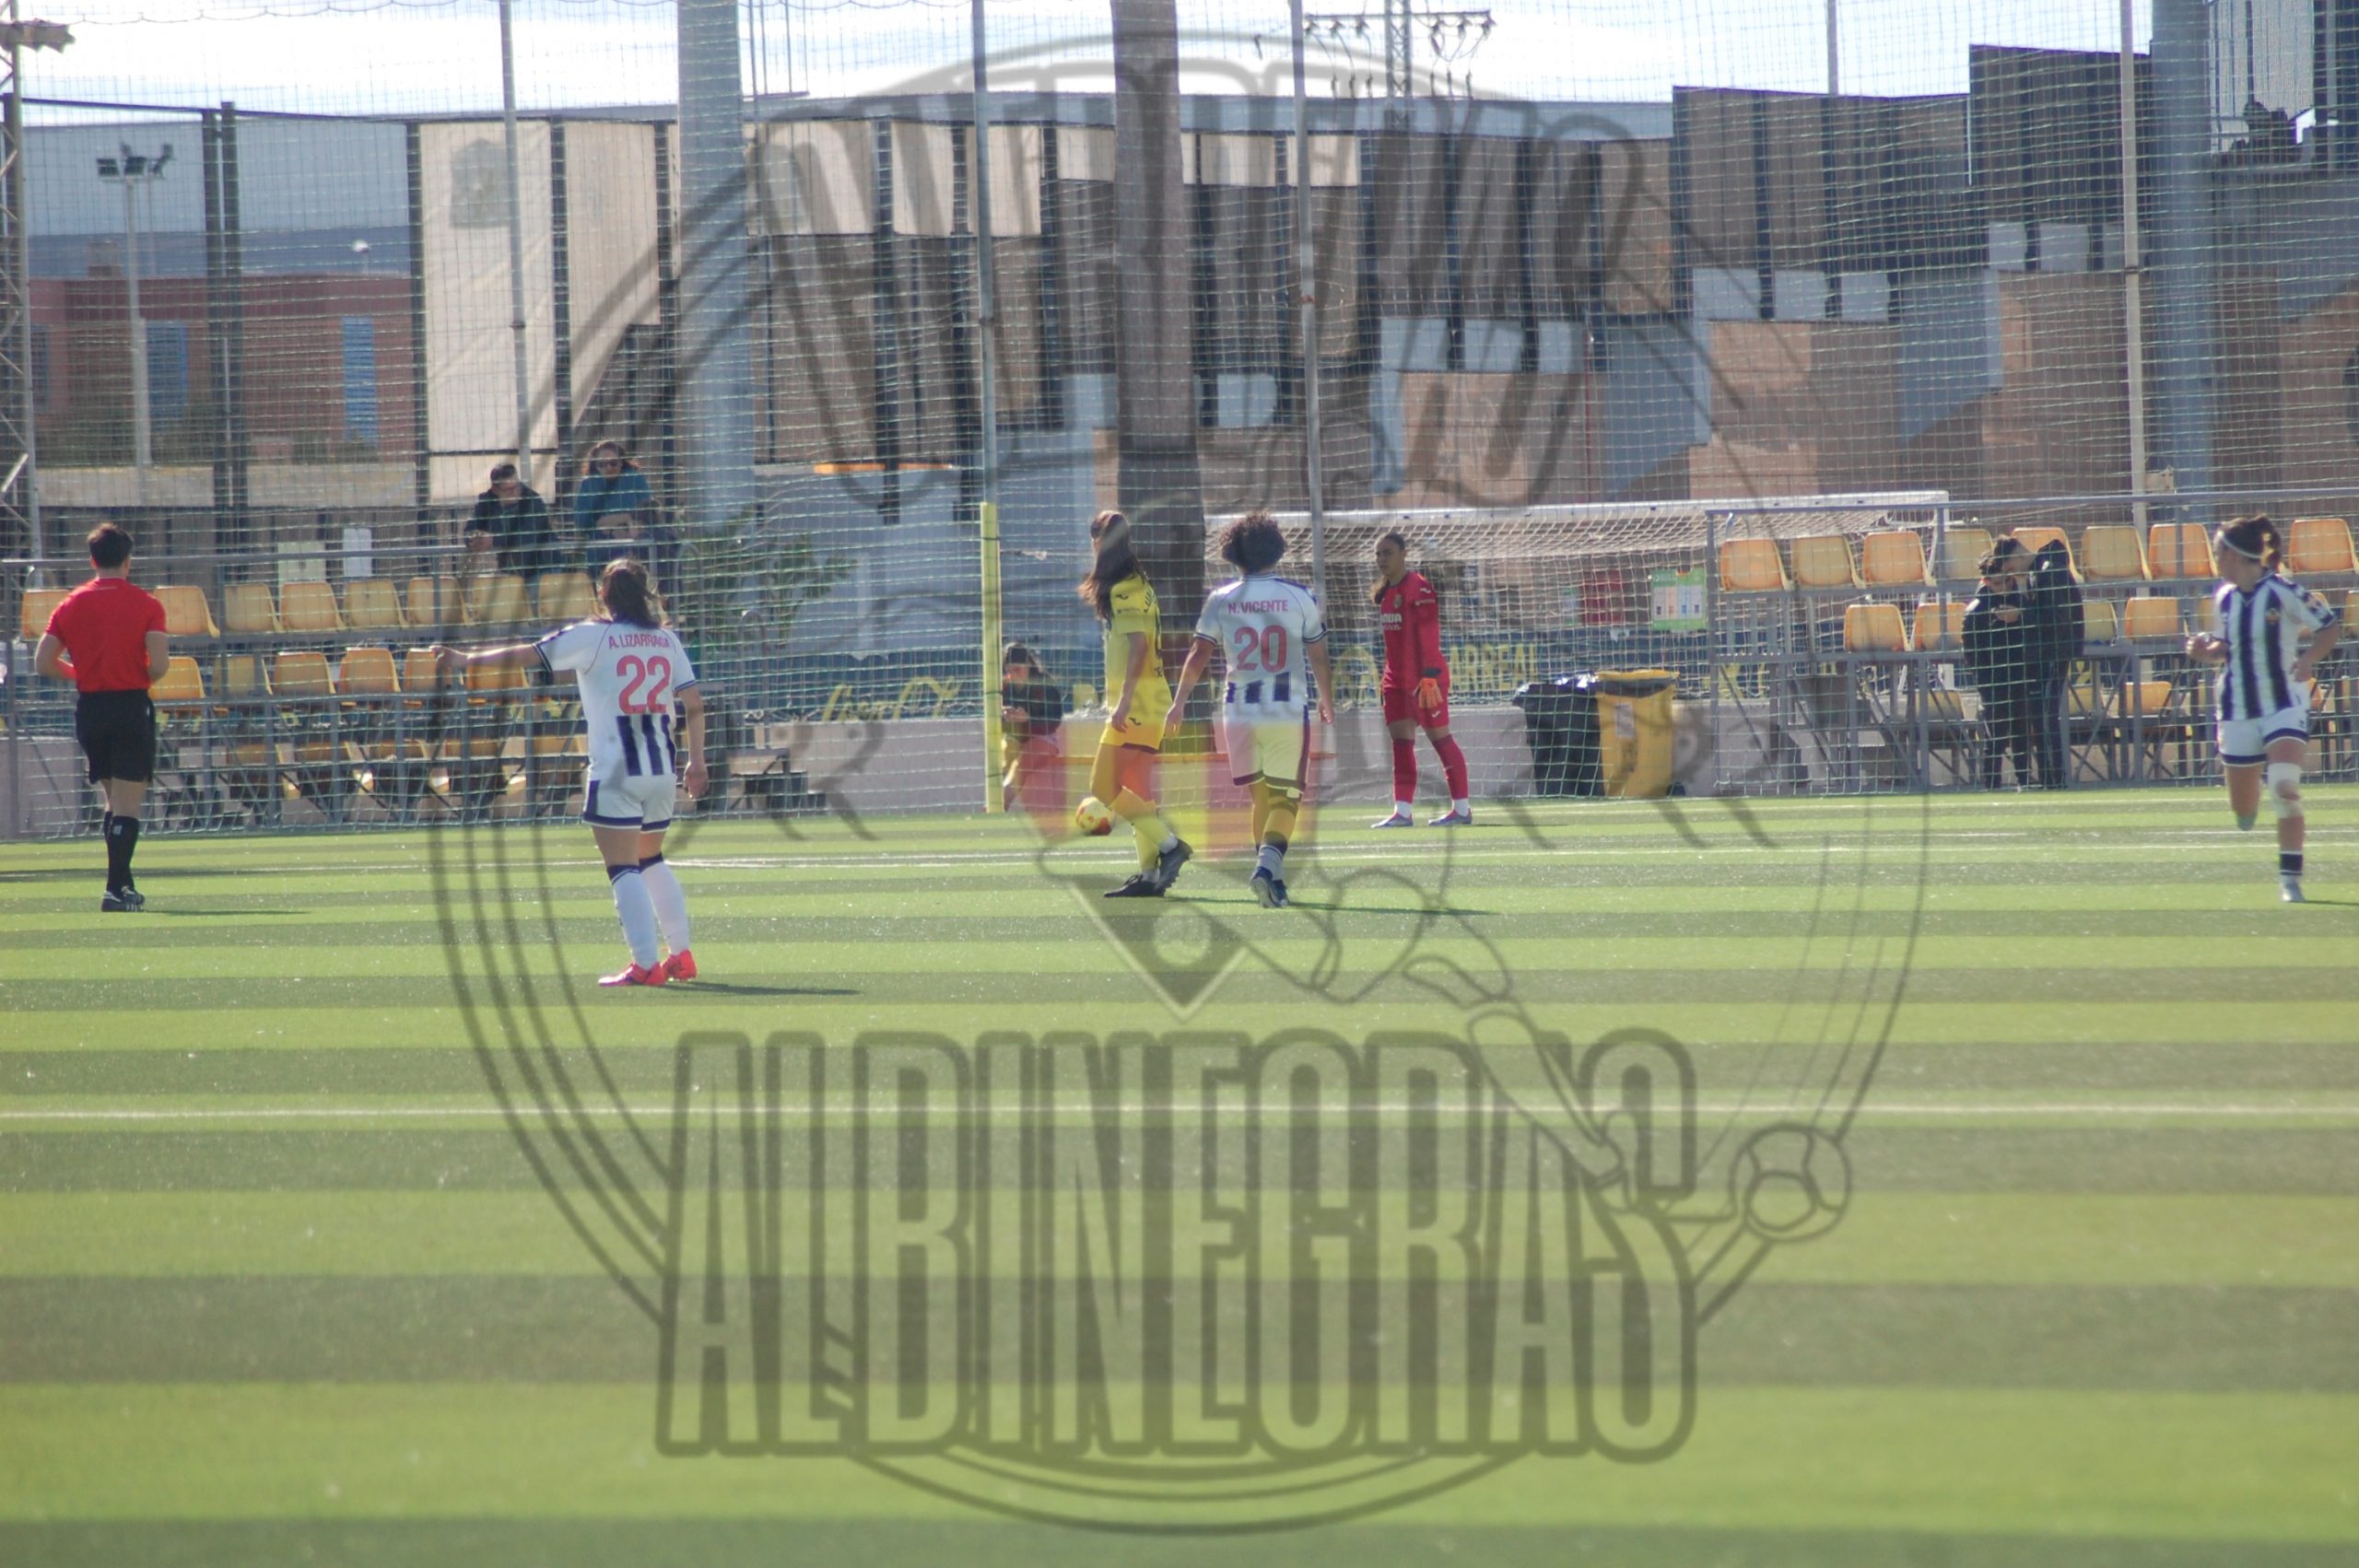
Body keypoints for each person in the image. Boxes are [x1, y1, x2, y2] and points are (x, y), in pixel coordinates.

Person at [431, 558, 709, 984]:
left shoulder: (593, 636)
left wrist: (466, 659)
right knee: (651, 859)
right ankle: (681, 954)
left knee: (623, 868)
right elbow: (694, 704)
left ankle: (645, 965)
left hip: (616, 771)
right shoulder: (666, 640)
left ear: (603, 594)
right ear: (646, 593)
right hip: (660, 769)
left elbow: (527, 654)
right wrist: (697, 761)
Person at [1166, 510, 1334, 908]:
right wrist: (1326, 697)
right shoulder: (1299, 596)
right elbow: (1318, 653)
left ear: (1233, 555)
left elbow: (1198, 654)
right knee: (1286, 799)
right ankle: (1265, 869)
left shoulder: (1220, 599)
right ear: (1276, 550)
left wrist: (1179, 703)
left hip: (1238, 712)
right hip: (1284, 709)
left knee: (1261, 800)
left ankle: (1274, 882)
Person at [2184, 514, 2341, 902]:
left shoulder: (2284, 591)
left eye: (2218, 552)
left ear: (2236, 555)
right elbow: (2225, 648)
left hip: (2283, 703)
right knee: (2243, 813)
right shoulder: (2223, 597)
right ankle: (2247, 793)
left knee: (2284, 788)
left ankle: (2290, 880)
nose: (2215, 559)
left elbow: (2329, 626)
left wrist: (2308, 660)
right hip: (2236, 707)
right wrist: (2204, 652)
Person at [33, 521, 169, 911]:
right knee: (127, 804)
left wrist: (81, 673)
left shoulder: (70, 603)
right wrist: (136, 675)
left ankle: (124, 886)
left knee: (113, 799)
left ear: (93, 560)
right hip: (129, 705)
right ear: (128, 561)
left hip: (91, 709)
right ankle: (113, 889)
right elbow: (159, 665)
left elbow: (43, 663)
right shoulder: (147, 604)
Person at [1078, 509, 1191, 898]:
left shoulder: (1123, 588)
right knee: (1139, 792)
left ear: (1098, 542)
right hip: (1154, 701)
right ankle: (1148, 876)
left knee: (1102, 785)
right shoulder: (1139, 581)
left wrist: (1123, 702)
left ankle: (1171, 847)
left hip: (1138, 704)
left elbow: (1139, 647)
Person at [1367, 531, 1471, 825]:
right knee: (1401, 745)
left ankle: (1462, 809)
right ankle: (1402, 812)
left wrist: (1429, 676)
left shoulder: (1419, 587)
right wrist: (1386, 680)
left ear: (1404, 554)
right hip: (1395, 682)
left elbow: (1428, 636)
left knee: (1441, 740)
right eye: (1378, 554)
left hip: (1425, 681)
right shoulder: (1386, 593)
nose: (1381, 559)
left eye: (1387, 553)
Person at [1963, 539, 2036, 789]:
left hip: (2020, 676)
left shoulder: (2023, 602)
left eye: (2007, 581)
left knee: (2022, 735)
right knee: (1995, 737)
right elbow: (1972, 655)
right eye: (1997, 583)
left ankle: (2024, 781)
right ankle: (1992, 785)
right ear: (1986, 582)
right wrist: (1985, 684)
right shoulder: (1976, 612)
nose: (2004, 588)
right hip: (1993, 681)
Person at [2025, 534, 2083, 789]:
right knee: (2046, 717)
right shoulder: (2055, 571)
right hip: (2057, 652)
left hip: (2050, 653)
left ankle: (2052, 778)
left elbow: (2055, 617)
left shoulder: (2048, 572)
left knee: (2045, 717)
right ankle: (2052, 778)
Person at [1000, 641, 1067, 816]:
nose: (1013, 675)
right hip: (1017, 738)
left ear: (1029, 665)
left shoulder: (1044, 684)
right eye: (1009, 671)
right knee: (1006, 753)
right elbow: (997, 723)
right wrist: (1005, 717)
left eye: (1018, 670)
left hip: (1043, 738)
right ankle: (1000, 802)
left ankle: (1000, 802)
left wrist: (1028, 719)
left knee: (1023, 760)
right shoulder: (1005, 688)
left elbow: (1054, 721)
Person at [466, 462, 563, 577]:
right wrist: (475, 539)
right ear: (495, 489)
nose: (515, 492)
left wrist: (494, 540)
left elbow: (527, 537)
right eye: (508, 489)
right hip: (509, 570)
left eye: (517, 486)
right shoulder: (487, 503)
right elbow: (469, 530)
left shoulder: (532, 501)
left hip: (543, 567)